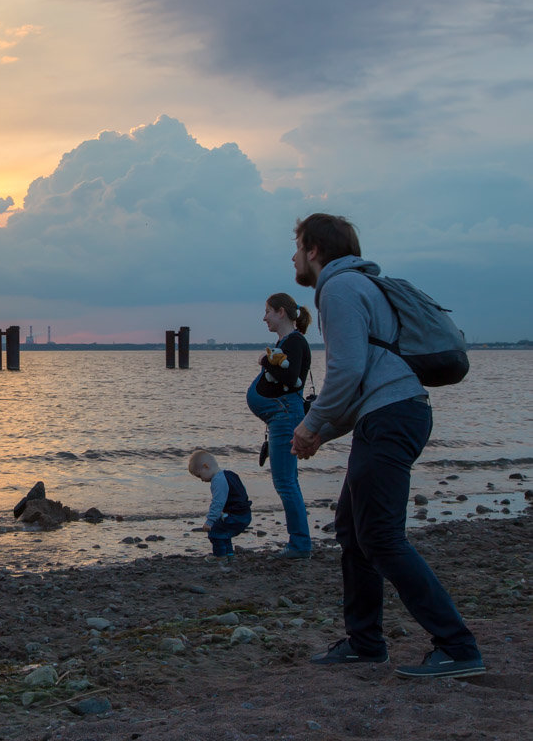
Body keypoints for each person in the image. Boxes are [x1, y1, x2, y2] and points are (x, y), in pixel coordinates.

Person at [289, 213, 484, 679]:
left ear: (314, 250)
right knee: (354, 531)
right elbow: (369, 383)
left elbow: (347, 371)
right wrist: (322, 432)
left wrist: (310, 422)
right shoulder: (361, 286)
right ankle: (365, 643)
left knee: (380, 537)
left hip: (393, 418)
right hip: (394, 413)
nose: (293, 257)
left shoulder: (338, 289)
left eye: (297, 247)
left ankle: (457, 647)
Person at [246, 293, 313, 559]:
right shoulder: (286, 341)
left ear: (281, 312)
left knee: (285, 482)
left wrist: (265, 362)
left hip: (284, 415)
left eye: (267, 312)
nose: (264, 317)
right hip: (279, 417)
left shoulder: (295, 341)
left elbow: (292, 378)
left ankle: (299, 544)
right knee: (286, 481)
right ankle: (299, 542)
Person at [188, 449, 251, 562]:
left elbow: (218, 503)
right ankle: (229, 555)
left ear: (206, 466)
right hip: (244, 514)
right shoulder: (230, 475)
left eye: (199, 475)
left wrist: (210, 521)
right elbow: (242, 493)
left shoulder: (218, 480)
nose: (201, 480)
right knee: (224, 531)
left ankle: (220, 556)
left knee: (214, 532)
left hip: (236, 516)